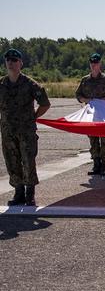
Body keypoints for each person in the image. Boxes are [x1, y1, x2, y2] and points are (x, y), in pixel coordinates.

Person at [0, 48, 51, 206]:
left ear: (21, 63)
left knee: (28, 161)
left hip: (26, 131)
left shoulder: (30, 84)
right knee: (11, 161)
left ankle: (30, 193)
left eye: (14, 60)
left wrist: (33, 116)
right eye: (8, 60)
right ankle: (18, 192)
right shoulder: (1, 84)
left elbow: (45, 103)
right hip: (7, 131)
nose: (11, 63)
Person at [75, 52, 105, 176]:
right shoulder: (85, 80)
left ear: (100, 64)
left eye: (96, 63)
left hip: (103, 115)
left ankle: (104, 165)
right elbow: (78, 95)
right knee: (93, 139)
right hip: (90, 114)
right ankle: (96, 164)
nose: (94, 65)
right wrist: (86, 100)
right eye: (92, 63)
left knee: (104, 139)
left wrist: (102, 101)